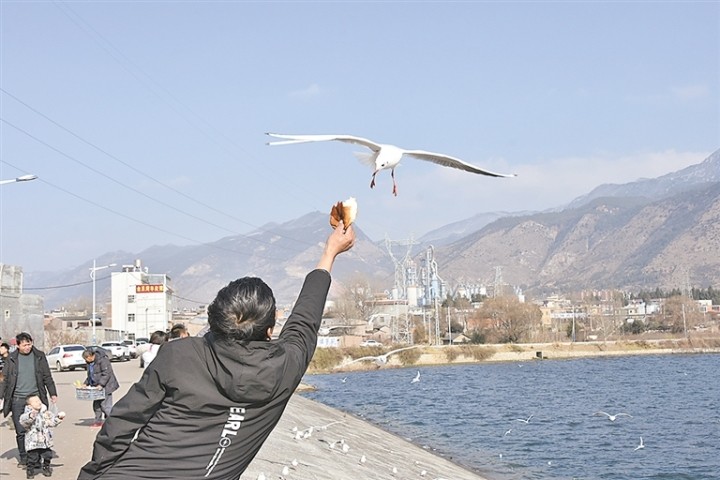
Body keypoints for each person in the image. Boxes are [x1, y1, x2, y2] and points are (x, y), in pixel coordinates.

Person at [78, 221, 355, 479]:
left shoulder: (180, 355)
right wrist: (330, 252)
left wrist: (93, 474)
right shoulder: (285, 368)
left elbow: (123, 422)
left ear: (215, 319)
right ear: (270, 330)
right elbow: (305, 319)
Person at [0, 332, 58, 469]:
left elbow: (47, 376)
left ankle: (36, 459)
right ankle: (24, 457)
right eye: (24, 345)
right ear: (18, 345)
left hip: (36, 398)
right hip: (17, 398)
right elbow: (5, 380)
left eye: (29, 344)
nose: (27, 347)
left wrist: (53, 393)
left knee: (37, 428)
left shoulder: (39, 356)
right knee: (21, 430)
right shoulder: (12, 359)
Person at [19, 393, 64, 478]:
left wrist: (58, 419)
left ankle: (46, 467)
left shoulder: (45, 413)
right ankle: (30, 470)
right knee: (32, 458)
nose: (38, 403)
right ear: (29, 405)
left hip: (45, 440)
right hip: (33, 442)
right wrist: (31, 415)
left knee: (48, 455)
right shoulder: (26, 414)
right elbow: (23, 422)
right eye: (35, 402)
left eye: (39, 400)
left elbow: (51, 422)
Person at [82, 348, 119, 428]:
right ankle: (98, 421)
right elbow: (91, 375)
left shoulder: (103, 360)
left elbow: (106, 373)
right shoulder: (89, 363)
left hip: (107, 386)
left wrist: (101, 385)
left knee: (105, 406)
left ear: (91, 356)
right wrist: (86, 383)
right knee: (96, 406)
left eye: (87, 358)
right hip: (96, 388)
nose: (86, 360)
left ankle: (112, 422)